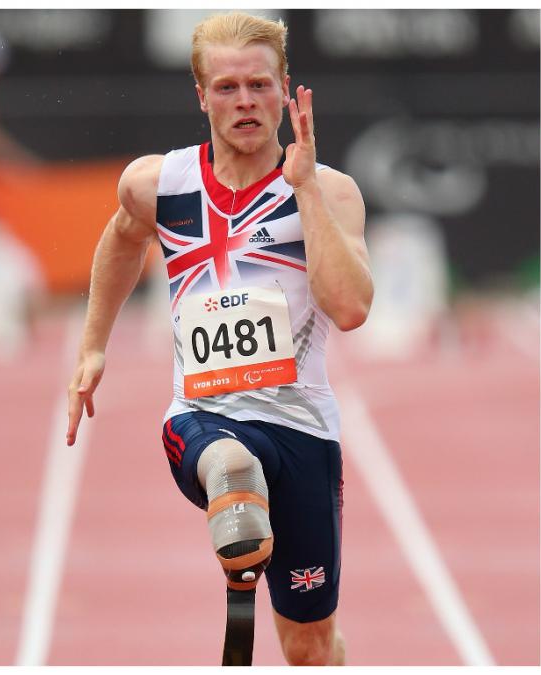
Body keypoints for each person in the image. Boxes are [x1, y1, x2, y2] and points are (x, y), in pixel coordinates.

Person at [64, 13, 372, 665]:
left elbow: (349, 308)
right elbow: (121, 239)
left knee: (310, 646)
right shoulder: (159, 184)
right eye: (227, 88)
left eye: (259, 86)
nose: (245, 103)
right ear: (200, 95)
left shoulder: (333, 192)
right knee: (231, 463)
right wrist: (94, 344)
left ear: (285, 89)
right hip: (205, 418)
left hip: (302, 430)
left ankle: (252, 523)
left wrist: (306, 186)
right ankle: (236, 493)